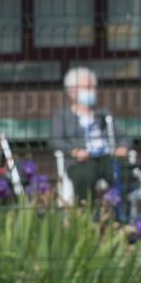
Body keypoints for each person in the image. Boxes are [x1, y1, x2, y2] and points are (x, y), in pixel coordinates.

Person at [49, 66, 125, 204]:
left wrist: (123, 147)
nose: (92, 91)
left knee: (119, 173)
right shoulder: (62, 116)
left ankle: (121, 216)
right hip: (81, 162)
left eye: (93, 87)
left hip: (106, 158)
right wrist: (74, 151)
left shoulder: (104, 114)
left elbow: (123, 136)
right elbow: (55, 141)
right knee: (86, 175)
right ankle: (85, 215)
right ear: (72, 92)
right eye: (87, 87)